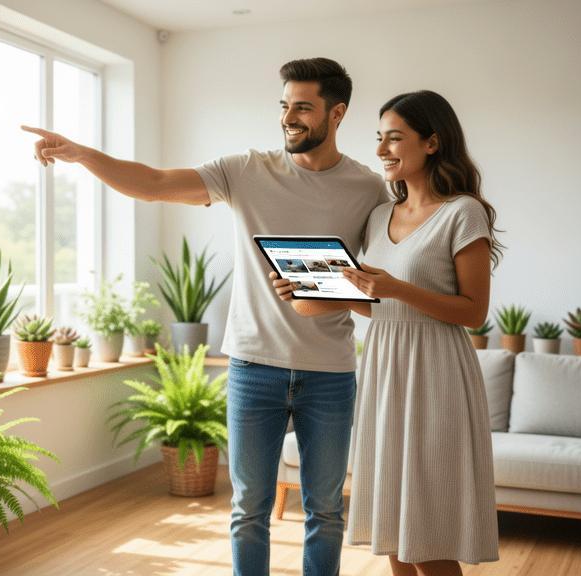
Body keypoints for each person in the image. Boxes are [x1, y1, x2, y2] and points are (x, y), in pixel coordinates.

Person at [22, 58, 387, 576]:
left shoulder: (368, 188)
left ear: (337, 113)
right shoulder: (246, 171)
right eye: (284, 105)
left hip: (329, 372)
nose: (289, 116)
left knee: (325, 512)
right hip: (252, 369)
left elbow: (382, 276)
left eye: (303, 107)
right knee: (248, 511)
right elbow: (151, 183)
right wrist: (82, 154)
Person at [269, 90, 503, 576]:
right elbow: (380, 306)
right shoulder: (380, 216)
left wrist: (397, 288)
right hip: (384, 369)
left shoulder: (463, 213)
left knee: (429, 534)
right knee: (394, 530)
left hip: (437, 374)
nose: (381, 150)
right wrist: (317, 294)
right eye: (379, 138)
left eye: (395, 139)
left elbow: (474, 311)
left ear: (433, 142)